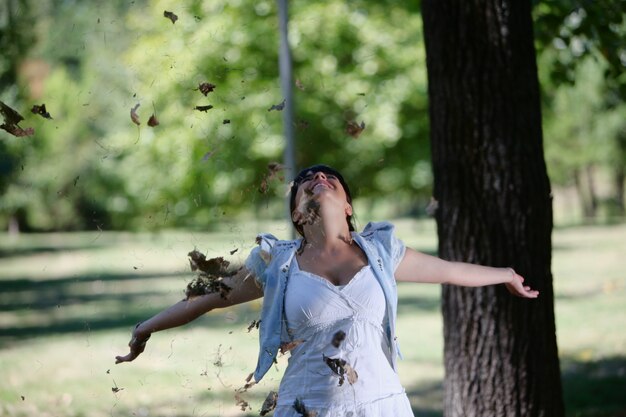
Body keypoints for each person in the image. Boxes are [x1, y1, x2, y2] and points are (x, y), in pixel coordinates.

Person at [116, 164, 538, 417]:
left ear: (349, 206)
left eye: (330, 178)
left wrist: (504, 274)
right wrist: (144, 328)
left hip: (381, 405)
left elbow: (448, 270)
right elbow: (206, 298)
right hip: (307, 405)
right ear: (298, 214)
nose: (319, 178)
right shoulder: (277, 263)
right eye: (306, 183)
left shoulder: (380, 252)